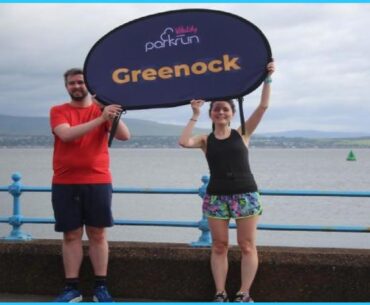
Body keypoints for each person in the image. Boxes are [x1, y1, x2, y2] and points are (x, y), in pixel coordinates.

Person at [179, 61, 275, 302]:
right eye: (216, 109)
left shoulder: (243, 133)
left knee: (246, 245)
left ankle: (244, 293)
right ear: (211, 114)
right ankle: (220, 292)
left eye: (225, 109)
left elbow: (263, 106)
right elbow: (183, 142)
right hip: (216, 197)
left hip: (246, 195)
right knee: (219, 245)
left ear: (232, 113)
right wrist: (194, 115)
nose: (221, 112)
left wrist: (268, 78)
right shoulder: (205, 139)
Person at [50, 68, 131, 302]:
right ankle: (71, 288)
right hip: (65, 182)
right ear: (67, 87)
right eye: (72, 83)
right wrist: (101, 118)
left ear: (90, 85)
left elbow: (125, 136)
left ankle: (101, 287)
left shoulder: (101, 110)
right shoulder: (58, 111)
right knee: (71, 235)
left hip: (98, 180)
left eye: (81, 82)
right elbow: (66, 135)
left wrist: (111, 113)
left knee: (98, 234)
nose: (77, 86)